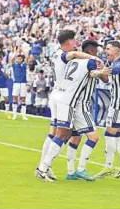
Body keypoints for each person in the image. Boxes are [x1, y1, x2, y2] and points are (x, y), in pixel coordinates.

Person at [36, 30, 105, 181]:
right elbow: (75, 56)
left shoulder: (61, 56)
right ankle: (43, 167)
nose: (76, 44)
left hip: (60, 95)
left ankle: (50, 167)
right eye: (74, 41)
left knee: (64, 134)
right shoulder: (66, 55)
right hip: (66, 98)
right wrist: (94, 58)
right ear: (68, 42)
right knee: (59, 134)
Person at [65, 40, 109, 180]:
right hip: (81, 104)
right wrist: (101, 68)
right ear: (90, 52)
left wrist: (100, 70)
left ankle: (71, 172)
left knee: (75, 137)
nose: (98, 54)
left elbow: (100, 77)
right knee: (94, 137)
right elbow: (100, 77)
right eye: (96, 51)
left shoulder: (74, 61)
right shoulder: (89, 62)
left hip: (71, 102)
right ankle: (81, 168)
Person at [95, 40, 120, 179]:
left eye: (108, 49)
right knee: (119, 134)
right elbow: (108, 76)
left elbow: (118, 69)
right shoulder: (114, 62)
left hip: (118, 103)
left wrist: (101, 71)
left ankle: (108, 166)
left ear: (117, 50)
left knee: (109, 133)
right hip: (119, 102)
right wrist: (102, 67)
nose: (106, 51)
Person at [10, 48, 29, 120]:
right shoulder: (14, 65)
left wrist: (23, 50)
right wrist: (16, 52)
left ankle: (23, 115)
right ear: (16, 59)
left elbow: (27, 57)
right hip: (16, 83)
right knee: (15, 98)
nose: (19, 60)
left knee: (23, 99)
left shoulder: (24, 65)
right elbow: (11, 59)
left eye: (20, 59)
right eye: (18, 59)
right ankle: (14, 114)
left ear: (22, 59)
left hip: (23, 83)